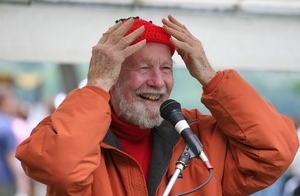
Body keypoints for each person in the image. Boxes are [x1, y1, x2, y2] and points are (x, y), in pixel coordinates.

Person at [15, 15, 299, 196]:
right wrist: (97, 84)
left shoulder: (198, 135)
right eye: (143, 68)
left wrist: (210, 77)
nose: (158, 81)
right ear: (111, 75)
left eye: (166, 68)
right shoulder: (71, 135)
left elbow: (276, 151)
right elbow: (62, 169)